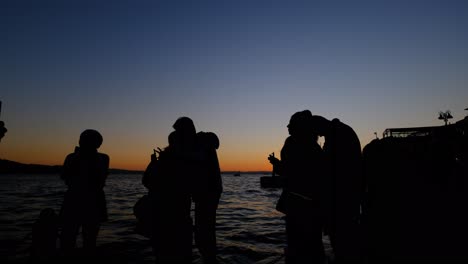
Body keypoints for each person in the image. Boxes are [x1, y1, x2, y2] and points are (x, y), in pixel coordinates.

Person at [268, 110, 327, 264]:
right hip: (311, 204)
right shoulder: (314, 148)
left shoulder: (294, 144)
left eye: (291, 124)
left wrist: (277, 165)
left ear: (299, 127)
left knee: (298, 244)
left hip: (299, 203)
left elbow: (292, 171)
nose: (287, 126)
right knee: (313, 244)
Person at [309, 115, 363, 263]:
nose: (319, 136)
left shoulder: (338, 135)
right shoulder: (340, 131)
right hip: (346, 195)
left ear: (320, 125)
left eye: (317, 131)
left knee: (343, 239)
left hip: (342, 197)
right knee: (345, 238)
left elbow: (333, 168)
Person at [59, 129, 109, 255]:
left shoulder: (103, 158)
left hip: (92, 199)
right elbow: (66, 176)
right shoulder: (71, 157)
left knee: (90, 238)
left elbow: (100, 177)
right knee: (68, 236)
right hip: (76, 199)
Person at [193, 131, 222, 264]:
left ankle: (208, 256)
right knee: (207, 226)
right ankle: (209, 255)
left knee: (204, 227)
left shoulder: (202, 149)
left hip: (206, 193)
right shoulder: (208, 148)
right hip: (211, 192)